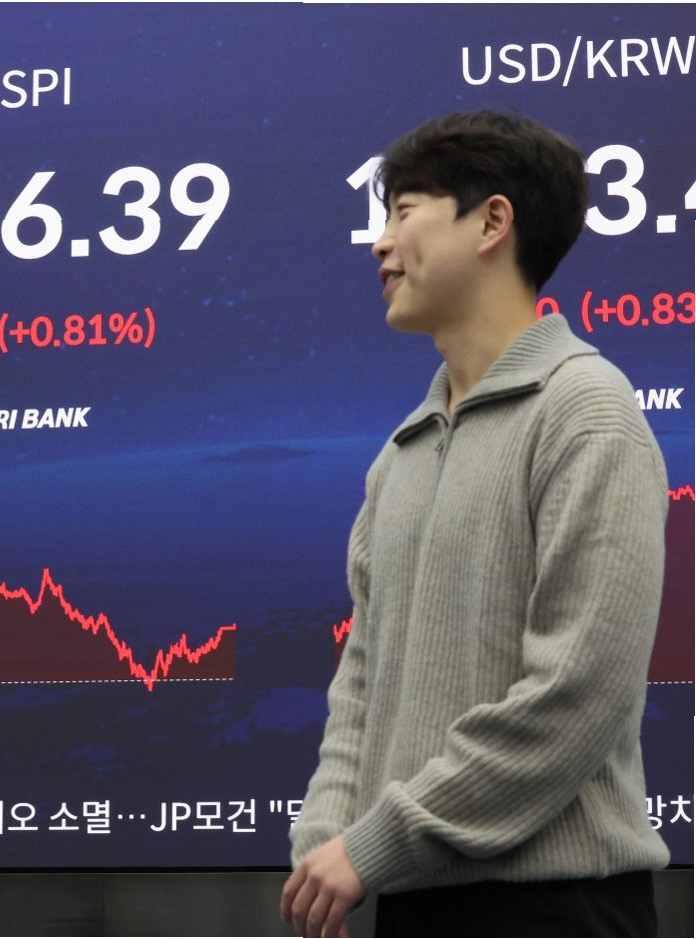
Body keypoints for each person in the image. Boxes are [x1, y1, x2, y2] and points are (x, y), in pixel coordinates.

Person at [280, 110, 669, 937]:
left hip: (556, 906)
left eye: (403, 211)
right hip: (405, 893)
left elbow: (577, 692)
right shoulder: (402, 451)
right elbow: (360, 682)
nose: (379, 243)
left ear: (492, 222)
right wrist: (325, 845)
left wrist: (374, 844)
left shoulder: (586, 413)